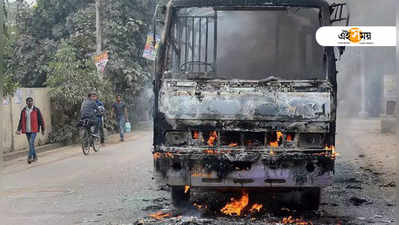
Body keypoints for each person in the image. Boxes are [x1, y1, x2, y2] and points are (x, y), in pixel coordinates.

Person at [16, 97, 46, 164]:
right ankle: (35, 157)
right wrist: (18, 129)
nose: (29, 102)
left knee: (31, 142)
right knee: (31, 144)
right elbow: (21, 121)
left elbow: (41, 120)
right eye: (28, 101)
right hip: (27, 130)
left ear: (32, 102)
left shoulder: (36, 110)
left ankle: (29, 157)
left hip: (34, 130)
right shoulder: (24, 110)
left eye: (31, 101)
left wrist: (43, 129)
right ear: (26, 102)